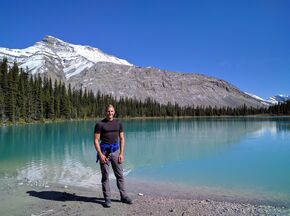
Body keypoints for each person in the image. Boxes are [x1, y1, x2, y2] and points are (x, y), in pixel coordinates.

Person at [94, 104, 133, 208]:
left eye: (111, 111)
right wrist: (100, 154)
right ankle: (107, 199)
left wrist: (121, 153)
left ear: (114, 112)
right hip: (104, 152)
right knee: (105, 176)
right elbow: (96, 140)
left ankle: (123, 196)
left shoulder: (118, 123)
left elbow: (122, 138)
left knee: (120, 175)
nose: (110, 113)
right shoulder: (100, 124)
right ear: (105, 112)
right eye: (108, 111)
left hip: (116, 152)